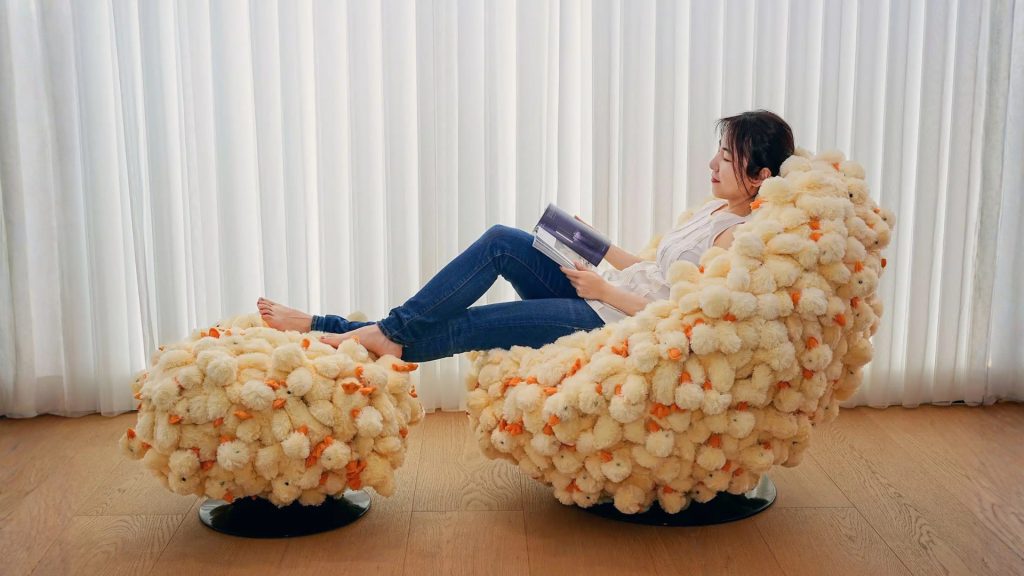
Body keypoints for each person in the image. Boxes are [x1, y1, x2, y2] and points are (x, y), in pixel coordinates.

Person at [257, 110, 795, 362]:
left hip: (612, 325)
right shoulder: (714, 210)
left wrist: (603, 291)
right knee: (502, 240)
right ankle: (376, 331)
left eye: (726, 158)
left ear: (760, 177)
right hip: (606, 297)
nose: (712, 164)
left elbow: (683, 314)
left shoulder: (737, 240)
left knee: (471, 326)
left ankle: (334, 329)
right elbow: (653, 271)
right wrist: (593, 243)